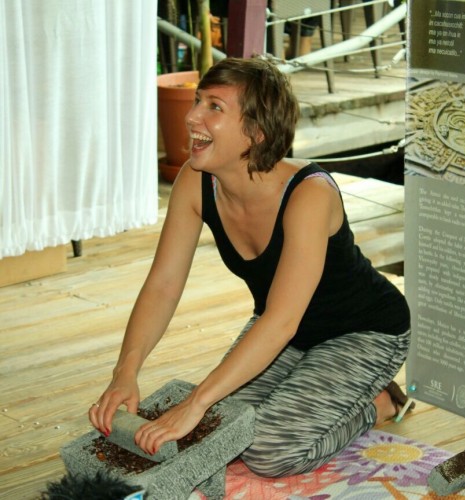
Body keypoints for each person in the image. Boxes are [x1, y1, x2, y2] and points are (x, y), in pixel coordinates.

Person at [89, 56, 412, 478]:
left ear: (255, 132)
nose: (190, 117)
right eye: (197, 101)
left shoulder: (308, 194)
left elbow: (281, 320)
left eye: (214, 107)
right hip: (285, 333)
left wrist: (197, 401)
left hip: (364, 332)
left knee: (266, 452)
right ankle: (322, 388)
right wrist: (124, 373)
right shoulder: (195, 180)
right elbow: (163, 285)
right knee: (219, 431)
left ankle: (378, 404)